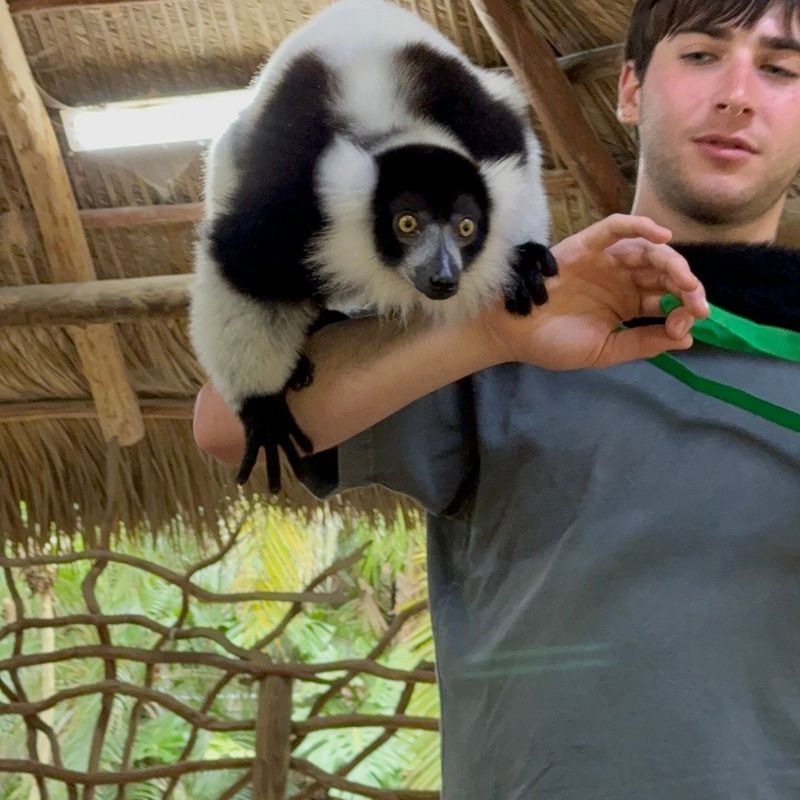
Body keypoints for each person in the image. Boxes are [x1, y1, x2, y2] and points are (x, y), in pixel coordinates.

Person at [193, 0, 800, 797]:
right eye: (700, 57)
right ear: (629, 89)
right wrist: (492, 334)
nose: (738, 94)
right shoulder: (492, 317)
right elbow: (228, 426)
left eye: (781, 68)